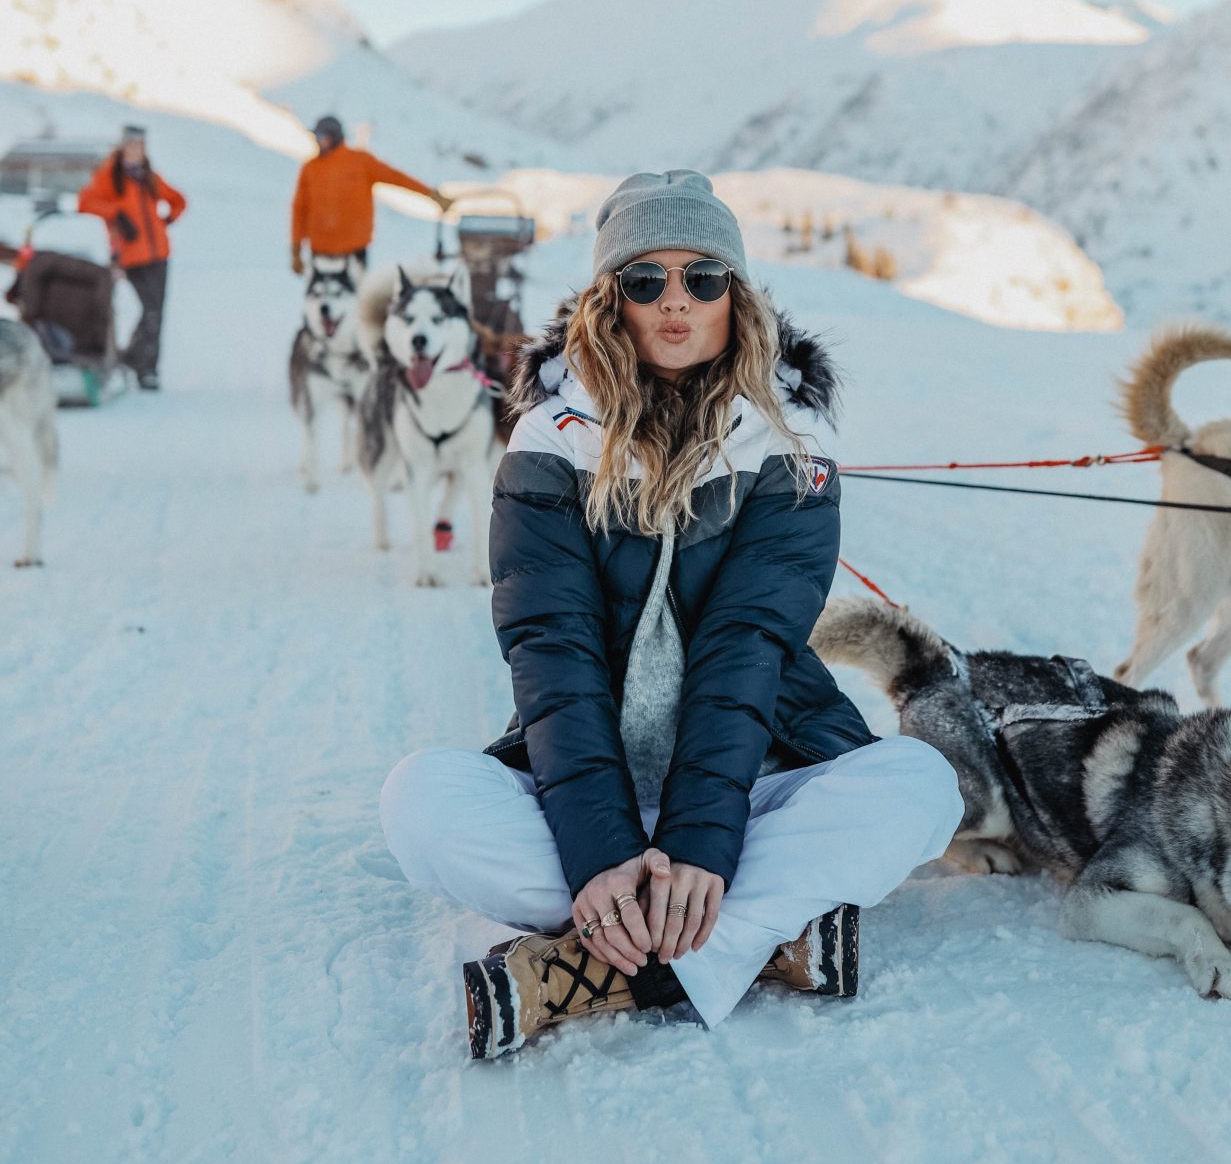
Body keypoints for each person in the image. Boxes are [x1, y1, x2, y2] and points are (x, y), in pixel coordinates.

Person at [380, 169, 962, 1058]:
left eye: (704, 277)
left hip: (754, 770)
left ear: (738, 291)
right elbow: (554, 647)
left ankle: (604, 962)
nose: (676, 301)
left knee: (923, 787)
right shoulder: (548, 437)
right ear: (611, 299)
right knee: (418, 800)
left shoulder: (789, 437)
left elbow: (749, 644)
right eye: (646, 281)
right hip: (586, 778)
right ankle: (757, 936)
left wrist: (700, 843)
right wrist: (602, 851)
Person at [77, 125, 185, 390]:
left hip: (159, 254)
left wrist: (166, 220)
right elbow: (85, 202)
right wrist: (115, 213)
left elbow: (178, 200)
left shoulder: (148, 177)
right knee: (148, 310)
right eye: (132, 144)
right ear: (123, 146)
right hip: (130, 255)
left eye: (141, 145)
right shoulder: (110, 175)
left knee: (156, 312)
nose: (136, 149)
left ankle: (146, 368)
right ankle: (134, 360)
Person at [289, 115, 442, 274]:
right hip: (320, 251)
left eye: (321, 137)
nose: (317, 141)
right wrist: (296, 250)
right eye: (316, 137)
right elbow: (299, 209)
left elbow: (396, 178)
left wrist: (430, 194)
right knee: (318, 298)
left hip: (354, 250)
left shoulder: (360, 162)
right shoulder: (310, 168)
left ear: (334, 138)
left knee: (358, 296)